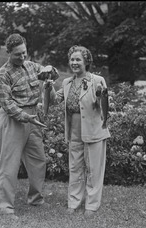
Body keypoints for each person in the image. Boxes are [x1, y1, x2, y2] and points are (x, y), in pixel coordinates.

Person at [0, 33, 59, 219]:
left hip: (33, 117)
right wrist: (26, 117)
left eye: (24, 53)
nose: (22, 57)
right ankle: (5, 209)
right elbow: (8, 105)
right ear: (8, 53)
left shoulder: (32, 66)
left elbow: (51, 73)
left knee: (38, 160)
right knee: (9, 165)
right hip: (13, 120)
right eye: (17, 54)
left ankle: (36, 199)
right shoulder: (2, 75)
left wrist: (50, 71)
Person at [46, 45, 111, 218]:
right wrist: (48, 86)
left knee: (93, 169)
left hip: (94, 129)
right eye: (72, 59)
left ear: (86, 62)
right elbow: (54, 100)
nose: (74, 63)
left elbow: (101, 104)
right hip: (74, 130)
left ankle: (91, 205)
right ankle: (73, 202)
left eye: (78, 60)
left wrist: (98, 96)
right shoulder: (67, 82)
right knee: (75, 168)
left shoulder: (97, 80)